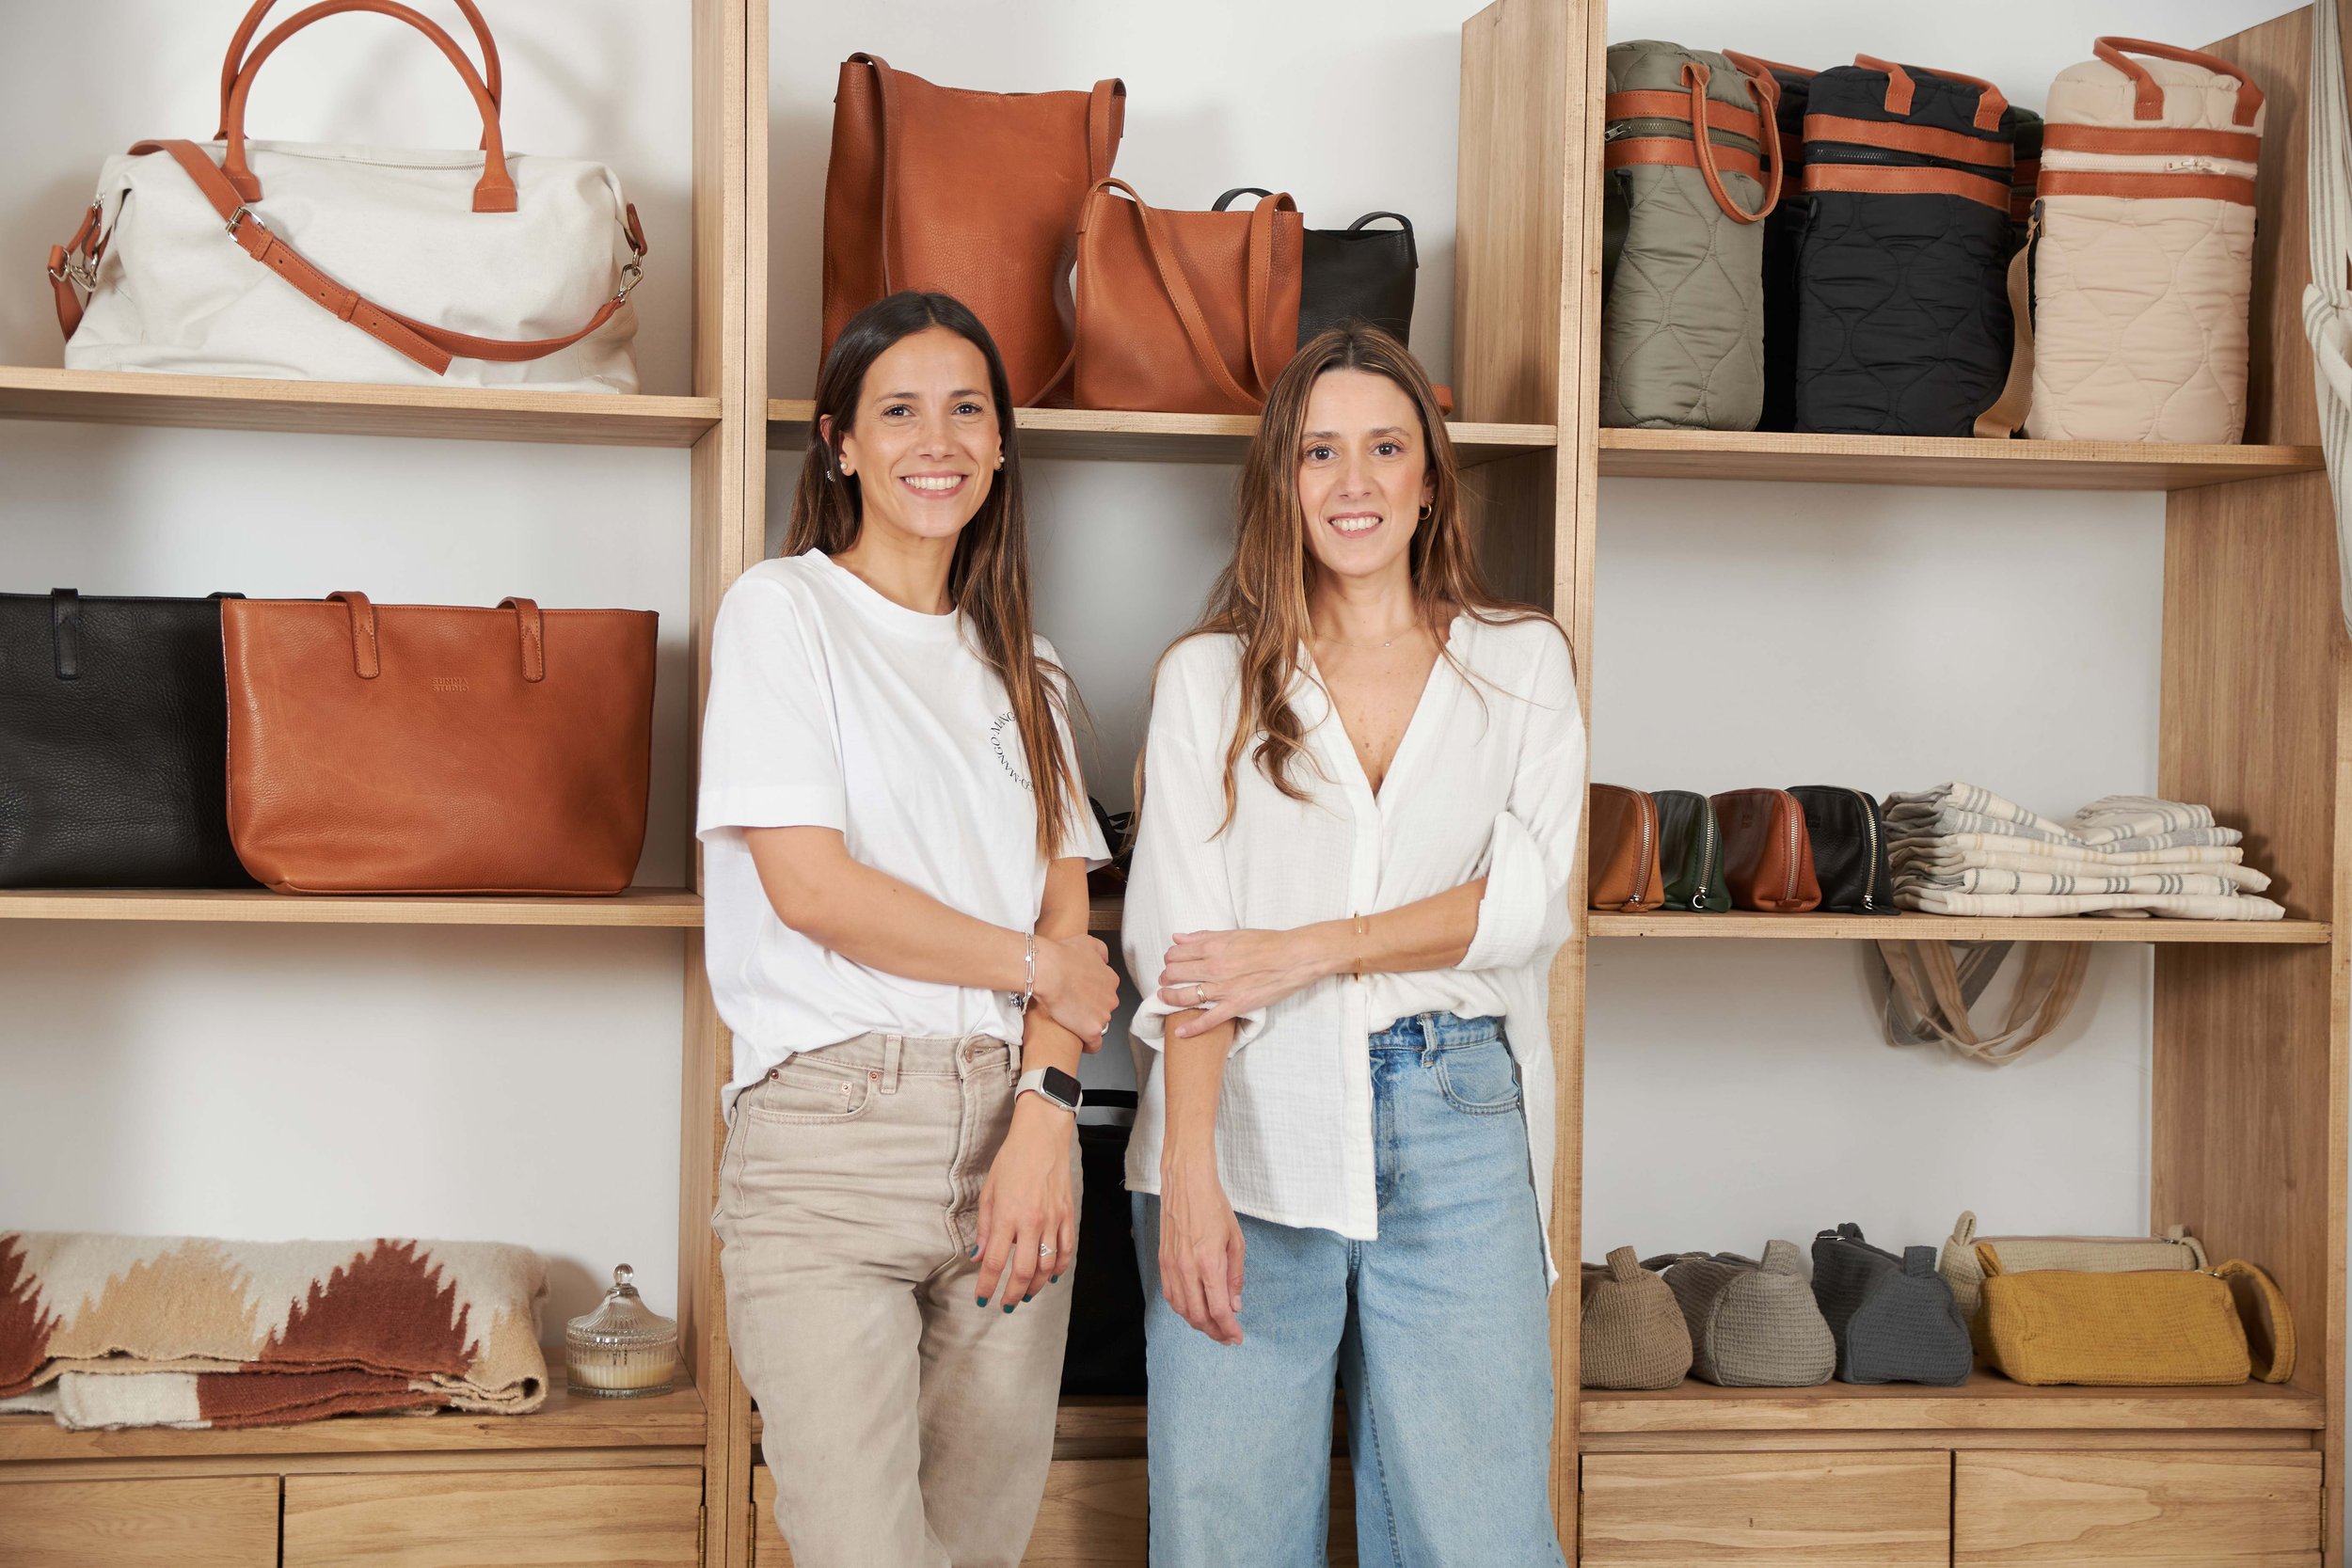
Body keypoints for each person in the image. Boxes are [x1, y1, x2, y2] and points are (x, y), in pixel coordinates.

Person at [1122, 325, 1583, 1566]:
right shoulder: (1209, 681)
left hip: (1459, 1106)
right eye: (1321, 453)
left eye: (1386, 449)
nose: (1355, 482)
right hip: (1247, 1110)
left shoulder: (1521, 664)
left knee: (1478, 1528)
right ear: (1282, 481)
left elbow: (1529, 906)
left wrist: (1307, 948)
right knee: (1228, 1527)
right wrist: (1194, 1178)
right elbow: (1188, 956)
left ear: (1431, 475)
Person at [699, 290, 1120, 1568]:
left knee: (980, 1551)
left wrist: (1046, 1118)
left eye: (966, 411)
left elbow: (1076, 930)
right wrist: (1036, 967)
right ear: (838, 444)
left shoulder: (1029, 672)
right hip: (829, 1145)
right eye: (898, 411)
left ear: (999, 446)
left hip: (1018, 1145)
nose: (935, 441)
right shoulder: (785, 612)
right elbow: (813, 891)